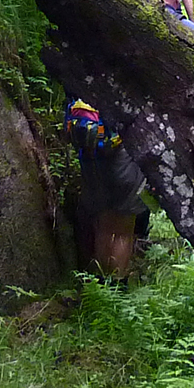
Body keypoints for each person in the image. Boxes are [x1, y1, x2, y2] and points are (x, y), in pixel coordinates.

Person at [65, 100, 150, 278]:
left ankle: (102, 288)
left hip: (90, 155)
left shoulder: (79, 73)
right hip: (122, 153)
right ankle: (116, 290)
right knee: (122, 232)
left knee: (104, 227)